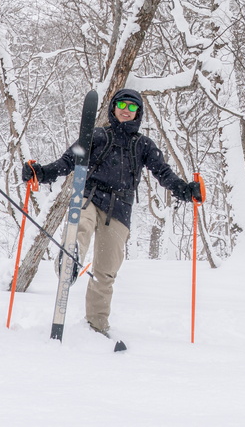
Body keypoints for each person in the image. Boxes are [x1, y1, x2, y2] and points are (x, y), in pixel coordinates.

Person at [23, 88, 202, 338]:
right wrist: (41, 173)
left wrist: (185, 190)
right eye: (122, 106)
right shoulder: (96, 136)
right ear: (113, 108)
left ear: (138, 113)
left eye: (132, 108)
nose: (126, 111)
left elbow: (163, 173)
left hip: (119, 209)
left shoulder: (143, 145)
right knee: (80, 226)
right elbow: (67, 162)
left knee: (105, 271)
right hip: (89, 196)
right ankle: (69, 258)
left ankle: (96, 326)